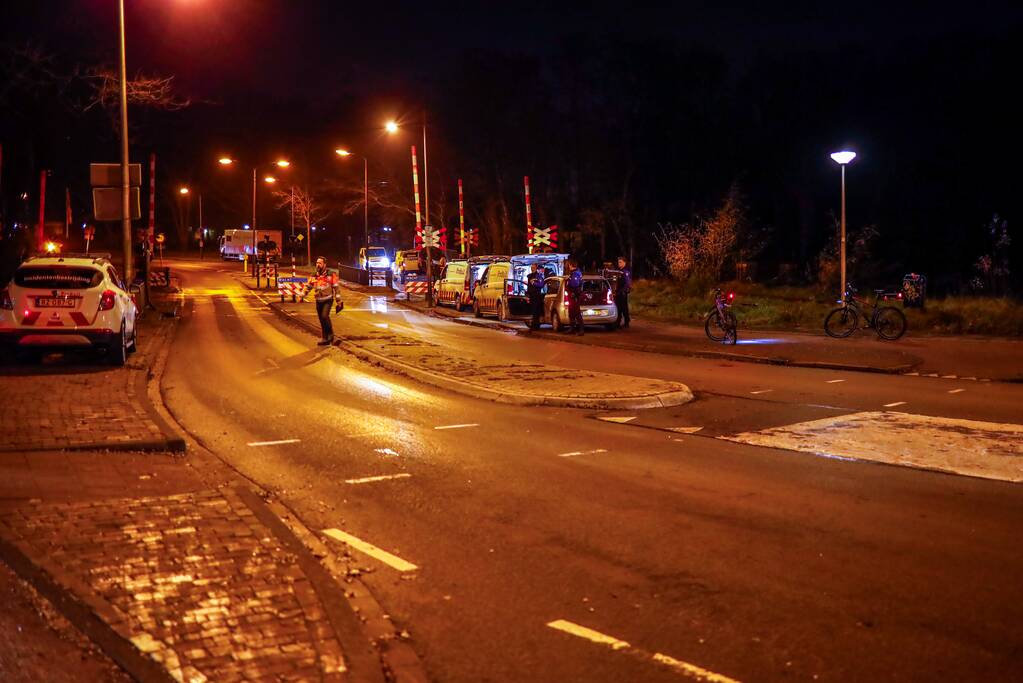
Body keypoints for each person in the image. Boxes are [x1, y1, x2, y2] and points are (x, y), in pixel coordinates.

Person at [303, 256, 341, 345]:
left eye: (320, 263)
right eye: (317, 263)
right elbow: (309, 286)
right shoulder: (314, 275)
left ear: (324, 264)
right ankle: (325, 338)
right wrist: (303, 293)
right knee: (321, 319)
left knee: (324, 316)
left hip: (328, 299)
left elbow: (336, 287)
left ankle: (330, 335)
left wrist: (338, 300)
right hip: (318, 300)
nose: (318, 265)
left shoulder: (331, 274)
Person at [566, 259, 584, 336]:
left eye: (569, 265)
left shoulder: (576, 273)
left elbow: (575, 284)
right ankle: (572, 328)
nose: (568, 266)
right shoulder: (573, 273)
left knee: (577, 313)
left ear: (571, 265)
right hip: (573, 296)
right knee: (571, 312)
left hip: (575, 296)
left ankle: (581, 330)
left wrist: (574, 293)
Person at [526, 262, 545, 330]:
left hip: (537, 295)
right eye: (531, 268)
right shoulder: (529, 276)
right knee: (533, 311)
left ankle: (536, 326)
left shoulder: (538, 276)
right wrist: (527, 295)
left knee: (536, 311)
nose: (532, 269)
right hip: (532, 296)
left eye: (533, 267)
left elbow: (541, 284)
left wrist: (534, 283)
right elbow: (529, 286)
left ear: (536, 268)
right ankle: (534, 325)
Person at [615, 256, 632, 328]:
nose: (619, 263)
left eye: (620, 262)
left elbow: (627, 283)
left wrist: (622, 291)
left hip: (622, 293)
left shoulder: (625, 271)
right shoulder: (619, 271)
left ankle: (626, 322)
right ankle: (619, 322)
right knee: (619, 308)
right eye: (618, 262)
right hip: (619, 292)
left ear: (624, 263)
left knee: (623, 308)